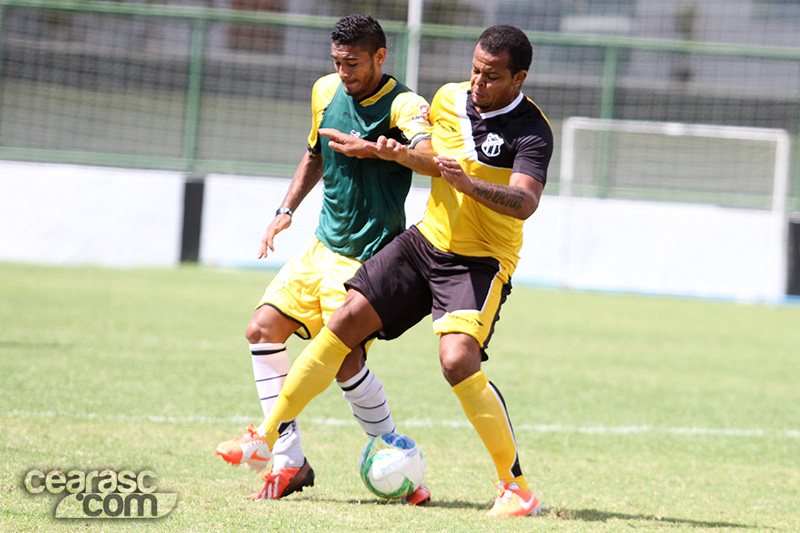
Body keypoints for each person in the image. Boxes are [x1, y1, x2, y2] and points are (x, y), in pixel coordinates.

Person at [242, 24, 554, 517]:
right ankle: (264, 435)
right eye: (475, 69)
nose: (477, 82)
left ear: (519, 78)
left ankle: (515, 488)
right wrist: (395, 154)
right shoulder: (448, 99)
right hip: (425, 241)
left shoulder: (532, 130)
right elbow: (432, 163)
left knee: (457, 360)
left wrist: (469, 185)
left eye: (491, 76)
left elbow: (525, 202)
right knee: (343, 321)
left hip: (479, 260)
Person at [215, 14, 433, 505]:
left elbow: (434, 159)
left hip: (367, 259)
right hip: (319, 248)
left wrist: (381, 151)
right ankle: (288, 460)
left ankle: (400, 463)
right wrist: (284, 210)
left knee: (345, 364)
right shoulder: (325, 90)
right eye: (337, 62)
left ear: (380, 57)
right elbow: (314, 154)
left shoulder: (405, 105)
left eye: (352, 63)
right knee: (261, 329)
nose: (343, 72)